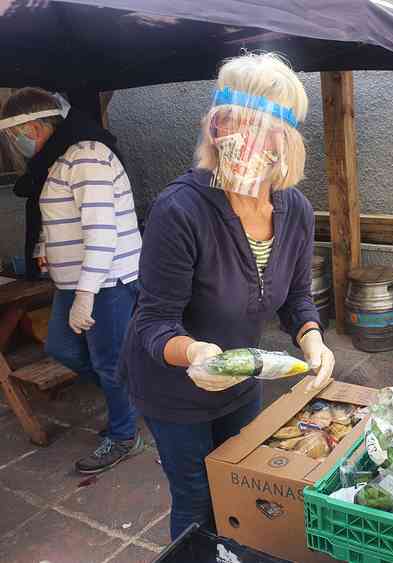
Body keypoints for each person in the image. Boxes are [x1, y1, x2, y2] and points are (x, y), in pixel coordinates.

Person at [119, 52, 335, 539]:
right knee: (196, 498)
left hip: (241, 377)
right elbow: (154, 323)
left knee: (238, 485)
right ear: (214, 128)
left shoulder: (296, 210)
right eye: (227, 126)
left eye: (258, 130)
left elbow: (296, 296)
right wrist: (194, 352)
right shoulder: (180, 210)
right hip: (172, 386)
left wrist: (313, 341)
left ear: (286, 142)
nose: (239, 143)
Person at [0, 88, 143, 473]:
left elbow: (101, 233)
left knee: (109, 361)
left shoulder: (86, 157)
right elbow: (67, 216)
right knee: (64, 348)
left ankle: (124, 435)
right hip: (79, 283)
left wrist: (85, 295)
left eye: (14, 135)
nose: (15, 143)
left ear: (32, 127)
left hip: (103, 283)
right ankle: (127, 403)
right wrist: (47, 244)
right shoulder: (62, 159)